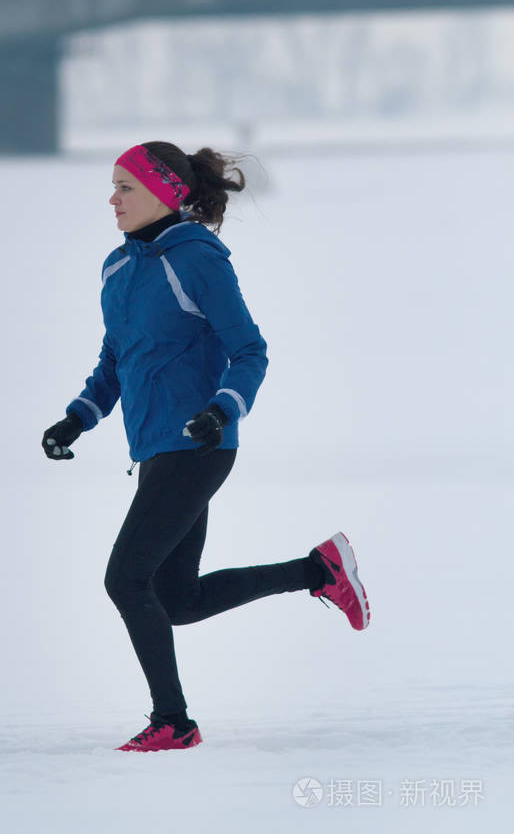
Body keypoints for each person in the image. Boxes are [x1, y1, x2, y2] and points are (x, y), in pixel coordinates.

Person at [42, 140, 370, 753]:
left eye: (126, 188)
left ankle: (174, 722)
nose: (112, 199)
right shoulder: (117, 268)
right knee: (178, 599)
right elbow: (116, 360)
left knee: (125, 580)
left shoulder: (197, 259)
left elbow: (250, 350)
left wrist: (221, 411)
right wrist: (77, 418)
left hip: (198, 447)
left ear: (168, 192)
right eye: (113, 187)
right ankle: (318, 570)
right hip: (157, 450)